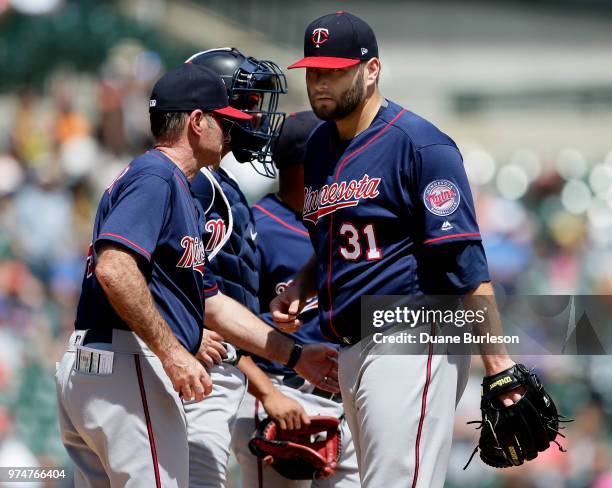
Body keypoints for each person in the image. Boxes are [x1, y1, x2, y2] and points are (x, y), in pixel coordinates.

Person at [56, 63, 339, 488]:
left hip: (102, 365)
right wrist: (173, 352)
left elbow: (213, 304)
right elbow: (114, 267)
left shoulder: (176, 187)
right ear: (196, 122)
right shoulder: (157, 176)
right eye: (226, 122)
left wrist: (295, 356)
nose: (231, 135)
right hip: (127, 364)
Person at [271, 12, 522, 488]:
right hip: (351, 348)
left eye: (335, 70)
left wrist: (497, 365)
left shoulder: (422, 146)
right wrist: (300, 286)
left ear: (371, 70)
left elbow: (464, 263)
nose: (320, 83)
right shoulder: (321, 146)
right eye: (314, 71)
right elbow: (331, 242)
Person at [231, 111, 361, 487]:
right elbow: (222, 324)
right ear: (311, 164)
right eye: (337, 156)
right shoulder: (256, 228)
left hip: (346, 402)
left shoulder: (345, 225)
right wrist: (267, 393)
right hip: (285, 398)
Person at [182, 47, 289, 488]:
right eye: (246, 104)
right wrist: (180, 333)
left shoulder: (219, 181)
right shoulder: (190, 179)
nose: (258, 118)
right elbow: (151, 270)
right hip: (192, 375)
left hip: (221, 376)